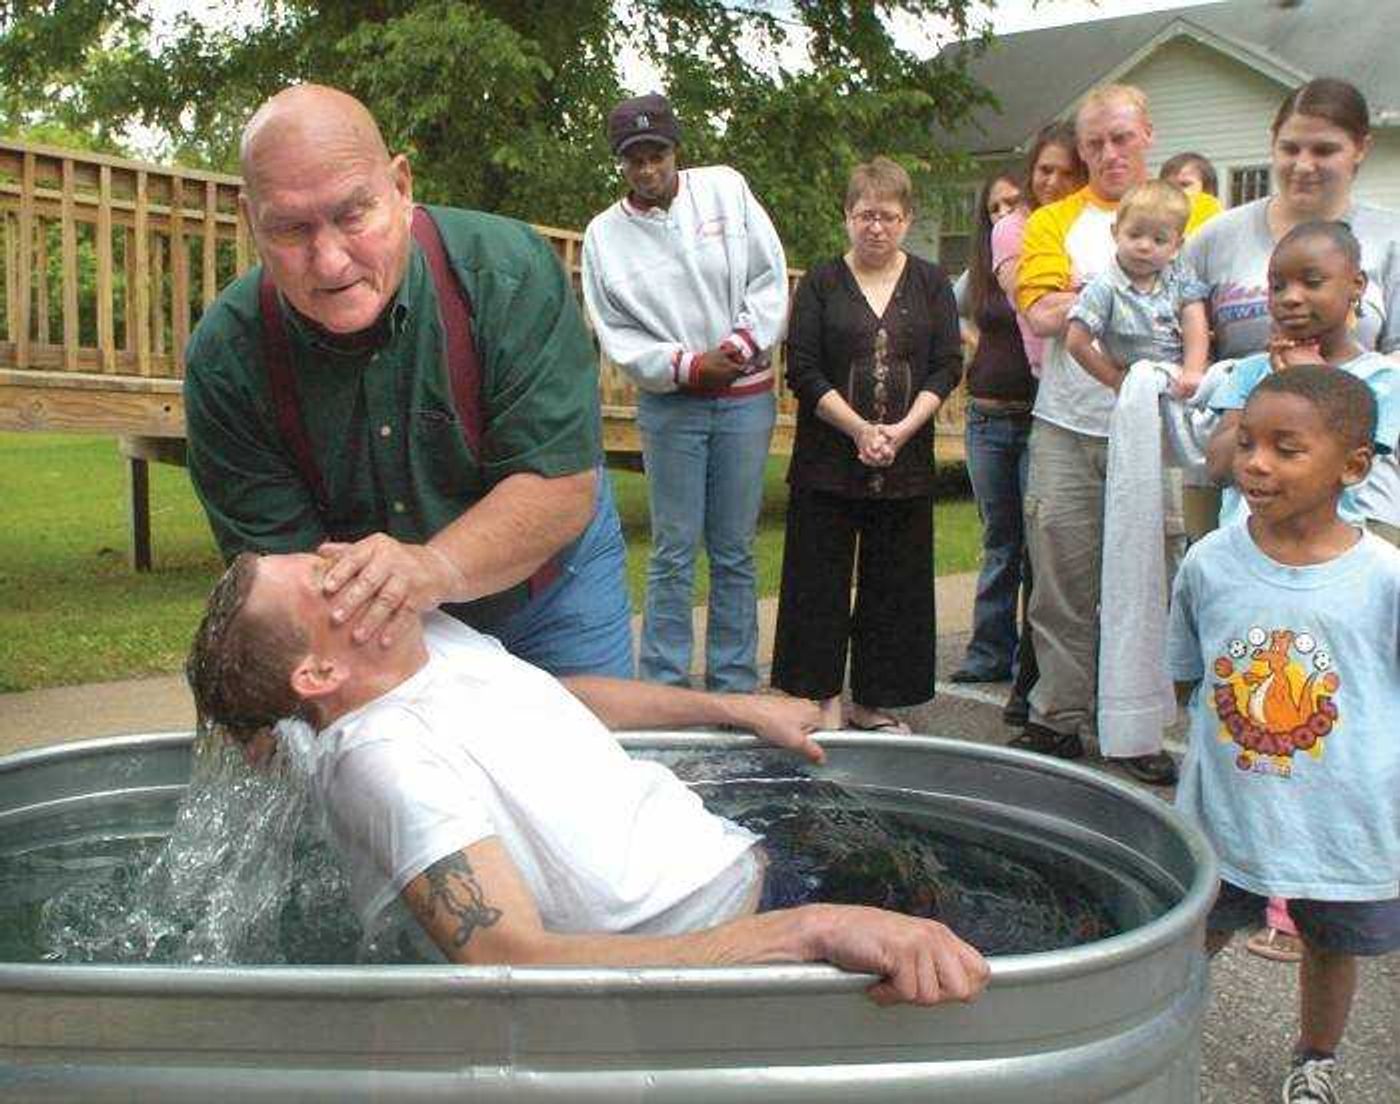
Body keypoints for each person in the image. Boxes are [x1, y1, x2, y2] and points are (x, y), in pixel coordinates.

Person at [186, 551, 991, 1008]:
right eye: (325, 583)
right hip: (750, 953)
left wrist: (733, 708)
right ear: (321, 672)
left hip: (759, 847)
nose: (349, 563)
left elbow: (553, 699)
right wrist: (811, 932)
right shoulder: (381, 763)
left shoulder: (424, 633)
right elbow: (516, 962)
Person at [183, 84, 632, 679]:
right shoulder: (227, 359)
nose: (331, 261)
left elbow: (558, 487)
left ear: (401, 188)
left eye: (352, 215)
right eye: (291, 230)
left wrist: (433, 568)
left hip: (547, 591)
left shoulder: (508, 274)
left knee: (585, 761)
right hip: (370, 621)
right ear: (250, 221)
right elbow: (287, 576)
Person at [1168, 365, 1400, 1104]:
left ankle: (1316, 1057)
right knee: (1193, 931)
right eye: (1247, 442)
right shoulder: (1209, 562)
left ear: (1353, 467)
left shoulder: (1382, 579)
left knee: (1332, 942)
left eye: (1286, 448)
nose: (1256, 463)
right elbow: (1188, 673)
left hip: (1341, 820)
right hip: (1227, 812)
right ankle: (1159, 1045)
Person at [1012, 84, 1215, 784]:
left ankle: (1135, 730)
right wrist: (1129, 293)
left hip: (1155, 438)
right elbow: (1041, 314)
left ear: (1148, 133)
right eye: (1094, 142)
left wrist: (1100, 294)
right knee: (1060, 583)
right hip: (1065, 427)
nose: (1108, 154)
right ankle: (1058, 717)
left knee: (1147, 582)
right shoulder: (1054, 221)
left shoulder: (1201, 214)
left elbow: (1205, 307)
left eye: (1121, 138)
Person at [581, 93, 788, 693]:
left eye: (657, 154)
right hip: (672, 403)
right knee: (673, 549)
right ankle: (665, 686)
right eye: (634, 160)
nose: (648, 170)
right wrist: (687, 366)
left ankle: (733, 683)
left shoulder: (726, 189)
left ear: (677, 150)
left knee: (734, 549)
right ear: (620, 164)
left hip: (745, 397)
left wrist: (741, 346)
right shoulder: (604, 236)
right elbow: (614, 331)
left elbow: (768, 276)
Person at [770, 158, 961, 732]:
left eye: (888, 216)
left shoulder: (931, 284)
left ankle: (875, 700)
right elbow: (801, 369)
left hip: (904, 462)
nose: (875, 227)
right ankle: (817, 696)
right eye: (864, 215)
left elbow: (947, 365)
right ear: (846, 217)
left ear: (907, 220)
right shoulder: (822, 285)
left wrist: (902, 432)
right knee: (817, 579)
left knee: (893, 583)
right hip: (827, 461)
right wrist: (857, 428)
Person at [1204, 221, 1400, 541]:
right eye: (1277, 286)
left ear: (1357, 285)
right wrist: (1275, 388)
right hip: (1252, 546)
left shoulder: (1384, 379)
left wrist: (1313, 381)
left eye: (1312, 282)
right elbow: (1219, 468)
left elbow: (1344, 469)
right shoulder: (1250, 373)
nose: (1290, 298)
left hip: (1358, 546)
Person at [1185, 78, 1400, 367]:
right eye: (1290, 149)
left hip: (1359, 408)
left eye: (1324, 150)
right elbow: (1170, 346)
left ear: (1361, 148)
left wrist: (1324, 386)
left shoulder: (1390, 239)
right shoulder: (1213, 240)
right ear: (1272, 142)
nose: (1303, 165)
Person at [986, 121, 1087, 727]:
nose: (1051, 181)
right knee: (1025, 548)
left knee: (1055, 560)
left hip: (1065, 398)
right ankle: (1026, 685)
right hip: (1026, 398)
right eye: (1043, 169)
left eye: (1064, 171)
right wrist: (1085, 289)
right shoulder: (1015, 228)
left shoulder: (1083, 225)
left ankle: (1048, 684)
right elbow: (1034, 300)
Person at [949, 172, 1037, 687]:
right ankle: (988, 654)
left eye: (1012, 202)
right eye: (995, 207)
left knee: (1036, 549)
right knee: (1000, 541)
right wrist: (974, 339)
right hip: (986, 419)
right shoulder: (981, 271)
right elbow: (946, 306)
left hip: (1036, 418)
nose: (1003, 213)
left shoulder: (1045, 257)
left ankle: (1034, 659)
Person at [1064, 179, 1209, 398]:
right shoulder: (1104, 288)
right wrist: (1114, 379)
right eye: (1134, 235)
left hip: (1182, 386)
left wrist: (1193, 371)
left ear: (1176, 246)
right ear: (1115, 233)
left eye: (1159, 240)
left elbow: (1195, 324)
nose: (1144, 246)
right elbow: (1076, 343)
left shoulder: (1179, 279)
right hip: (1137, 393)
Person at [1159, 151, 1223, 222]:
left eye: (1184, 184)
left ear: (1208, 189)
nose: (1175, 191)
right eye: (1169, 186)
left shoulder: (1216, 221)